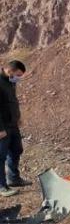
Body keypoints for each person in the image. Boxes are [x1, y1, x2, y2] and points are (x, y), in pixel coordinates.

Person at [0, 60, 30, 193]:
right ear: (9, 70)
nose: (18, 78)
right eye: (17, 75)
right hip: (3, 126)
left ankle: (14, 178)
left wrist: (18, 118)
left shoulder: (11, 82)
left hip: (13, 124)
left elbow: (13, 101)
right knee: (1, 156)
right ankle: (1, 186)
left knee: (16, 149)